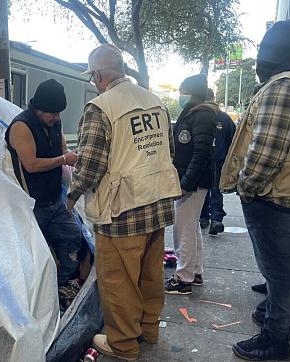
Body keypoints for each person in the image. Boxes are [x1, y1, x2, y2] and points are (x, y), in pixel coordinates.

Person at [220, 18, 290, 361]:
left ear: (280, 48)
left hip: (274, 195)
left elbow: (266, 152)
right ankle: (276, 313)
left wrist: (246, 187)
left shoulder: (285, 86)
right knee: (277, 267)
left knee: (278, 270)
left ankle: (275, 338)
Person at [66, 43, 181, 361]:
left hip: (122, 211)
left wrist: (72, 195)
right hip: (156, 205)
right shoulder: (154, 101)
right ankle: (149, 329)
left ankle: (123, 344)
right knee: (149, 273)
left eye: (93, 78)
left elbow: (89, 164)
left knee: (118, 280)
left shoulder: (101, 107)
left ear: (99, 75)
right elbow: (168, 150)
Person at [5, 79, 82, 312]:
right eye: (52, 113)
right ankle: (36, 298)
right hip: (32, 203)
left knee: (73, 236)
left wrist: (68, 157)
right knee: (34, 254)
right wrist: (63, 160)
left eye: (59, 113)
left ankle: (63, 283)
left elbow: (62, 148)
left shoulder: (53, 123)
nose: (56, 117)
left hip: (54, 199)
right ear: (39, 108)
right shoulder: (22, 126)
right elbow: (31, 164)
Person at [164, 74, 217, 295]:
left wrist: (186, 183)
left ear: (191, 92)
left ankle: (183, 278)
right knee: (191, 227)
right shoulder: (195, 113)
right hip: (191, 179)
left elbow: (201, 152)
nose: (180, 95)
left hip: (192, 182)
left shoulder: (201, 115)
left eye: (182, 90)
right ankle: (194, 272)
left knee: (183, 228)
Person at [199, 88, 236, 235]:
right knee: (215, 189)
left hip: (202, 159)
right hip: (218, 159)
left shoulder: (198, 115)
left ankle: (203, 217)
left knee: (202, 189)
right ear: (214, 98)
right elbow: (232, 141)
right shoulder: (224, 118)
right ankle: (216, 218)